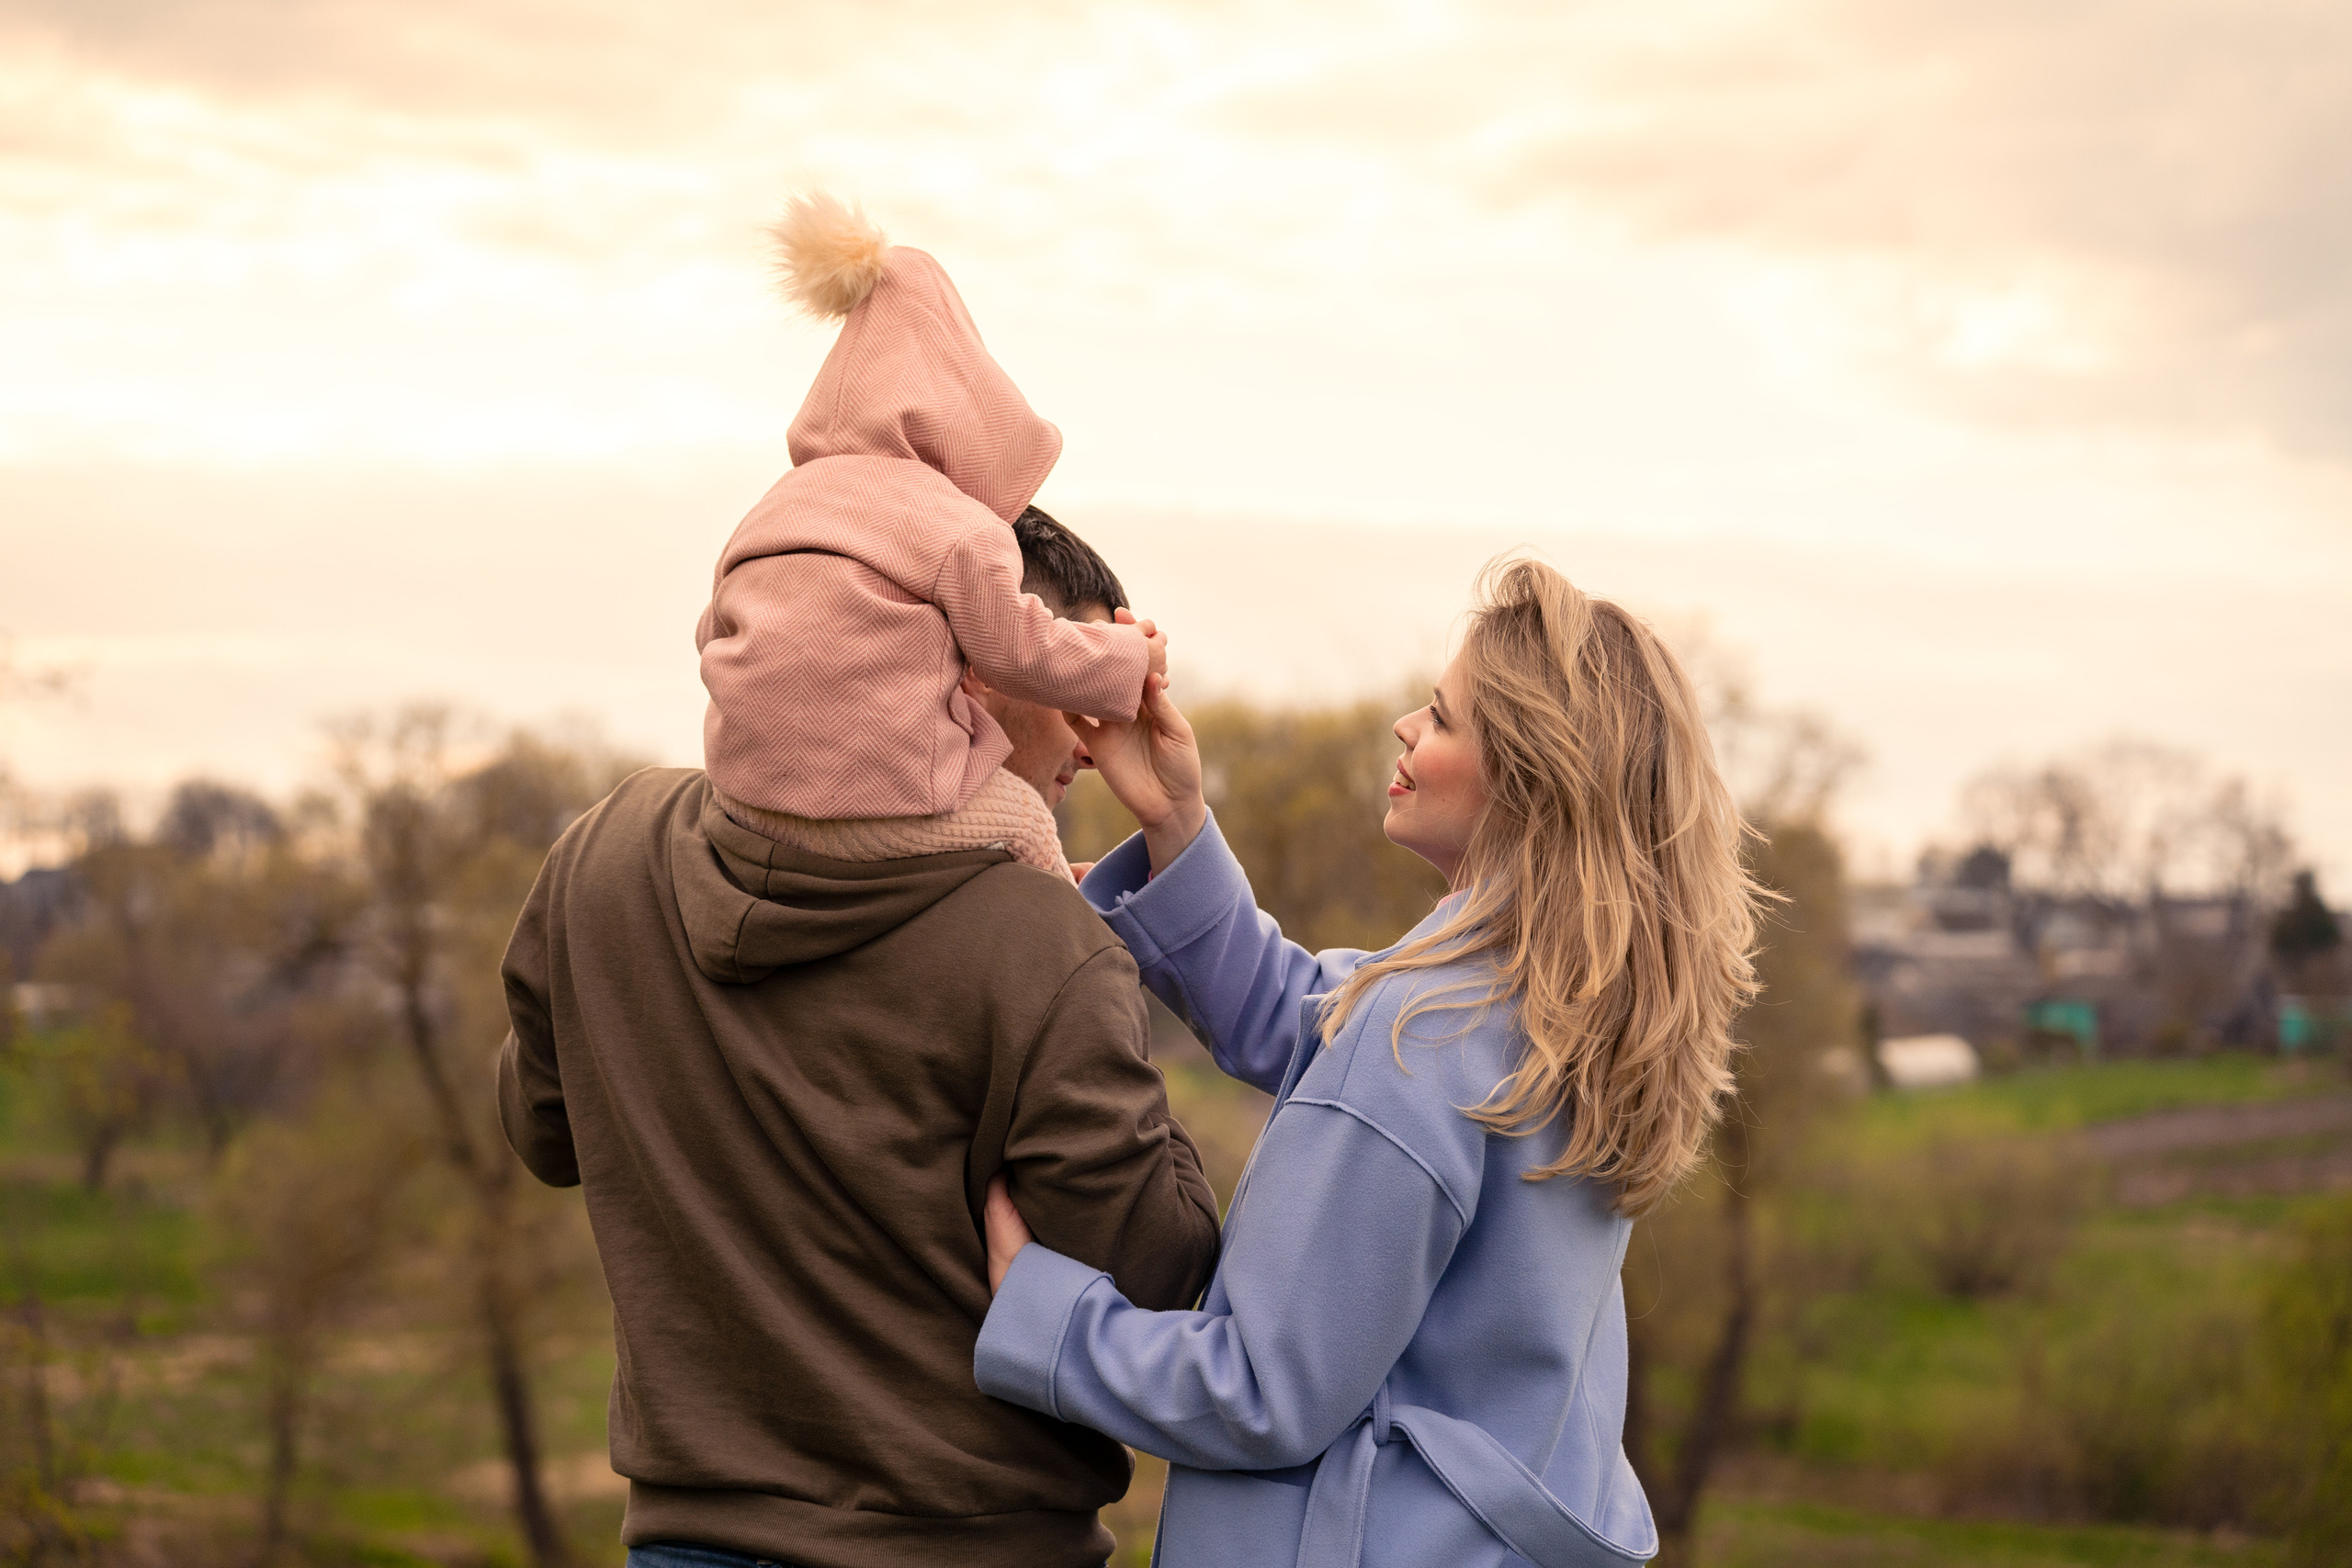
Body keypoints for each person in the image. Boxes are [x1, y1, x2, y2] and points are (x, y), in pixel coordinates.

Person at [974, 558, 1761, 1568]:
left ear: (1530, 778)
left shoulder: (1424, 1032)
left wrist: (1041, 1313)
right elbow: (1316, 1025)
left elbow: (1260, 1393)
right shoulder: (1556, 1014)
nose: (1404, 726)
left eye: (1442, 717)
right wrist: (1174, 821)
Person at [496, 508, 1222, 1568]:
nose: (1091, 734)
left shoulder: (605, 855)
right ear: (972, 666)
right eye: (1078, 673)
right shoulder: (1038, 944)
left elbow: (543, 1129)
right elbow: (1155, 1266)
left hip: (687, 1541)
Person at [696, 192, 1163, 882]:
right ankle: (1058, 902)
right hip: (879, 807)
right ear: (967, 410)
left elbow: (710, 634)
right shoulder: (956, 527)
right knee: (1028, 823)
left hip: (744, 800)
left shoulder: (771, 511)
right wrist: (1127, 659)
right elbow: (1017, 650)